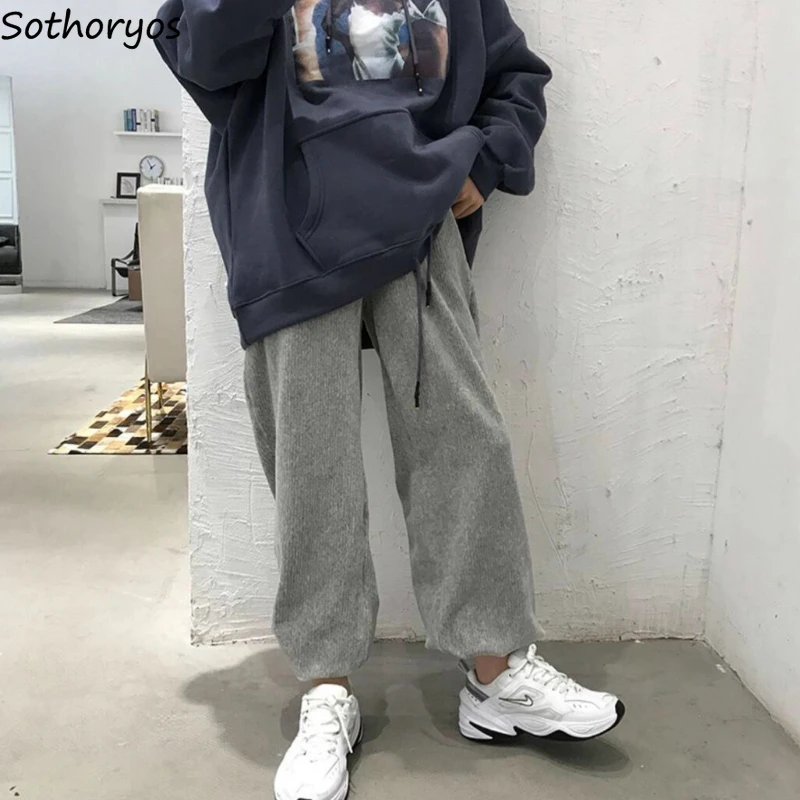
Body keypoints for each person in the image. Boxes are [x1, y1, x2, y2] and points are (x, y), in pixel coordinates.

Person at [155, 1, 625, 798]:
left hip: (419, 228)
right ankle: (327, 689)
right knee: (314, 466)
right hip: (289, 235)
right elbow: (203, 54)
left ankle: (495, 673)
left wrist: (484, 163)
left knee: (464, 443)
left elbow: (515, 76)